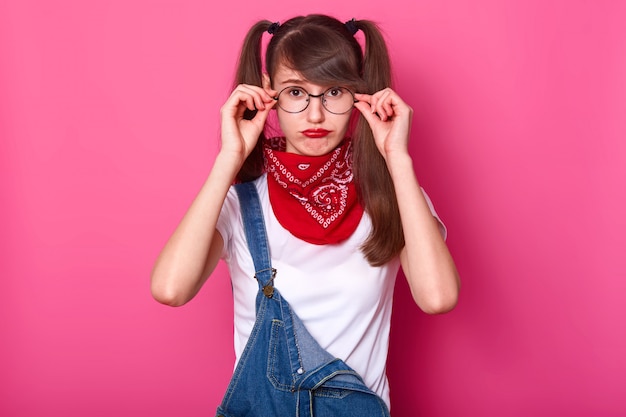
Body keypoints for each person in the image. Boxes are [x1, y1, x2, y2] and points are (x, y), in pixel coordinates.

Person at [151, 14, 460, 411]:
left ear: (360, 93)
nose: (315, 115)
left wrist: (396, 158)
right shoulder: (241, 202)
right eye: (296, 92)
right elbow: (170, 289)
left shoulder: (395, 195)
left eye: (334, 92)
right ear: (268, 92)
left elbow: (438, 297)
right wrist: (230, 157)